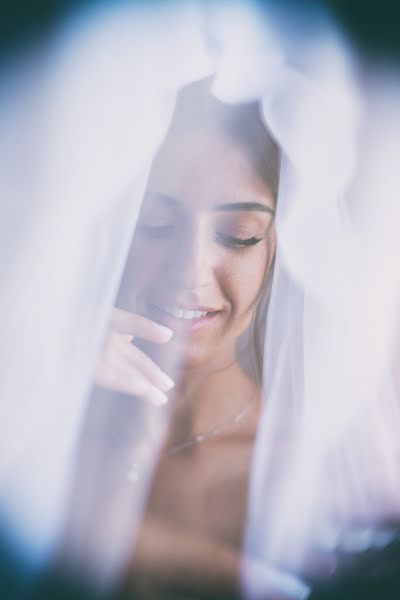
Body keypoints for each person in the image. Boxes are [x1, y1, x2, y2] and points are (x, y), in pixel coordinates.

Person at [94, 78, 281, 599]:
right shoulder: (42, 405)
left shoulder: (299, 469)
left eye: (238, 233)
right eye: (153, 224)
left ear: (276, 252)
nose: (189, 273)